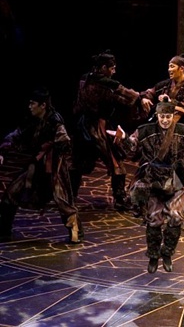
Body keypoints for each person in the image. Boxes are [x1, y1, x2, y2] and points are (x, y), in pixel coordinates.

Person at [107, 97, 184, 273]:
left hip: (177, 179)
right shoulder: (146, 130)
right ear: (157, 116)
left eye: (168, 116)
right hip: (153, 180)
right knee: (154, 220)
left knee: (175, 218)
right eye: (162, 116)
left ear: (173, 116)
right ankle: (153, 255)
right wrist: (124, 138)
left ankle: (167, 253)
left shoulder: (183, 131)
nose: (165, 120)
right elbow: (132, 149)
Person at [0, 88, 83, 243]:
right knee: (11, 192)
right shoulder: (31, 120)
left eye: (33, 104)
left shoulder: (55, 121)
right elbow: (16, 135)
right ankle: (4, 230)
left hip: (55, 167)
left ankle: (76, 230)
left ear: (43, 105)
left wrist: (51, 147)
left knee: (62, 200)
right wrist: (3, 150)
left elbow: (65, 142)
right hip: (36, 165)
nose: (30, 107)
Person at [70, 50, 148, 211]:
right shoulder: (106, 83)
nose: (114, 71)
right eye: (112, 68)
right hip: (96, 128)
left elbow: (110, 98)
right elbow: (129, 96)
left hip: (83, 126)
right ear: (103, 67)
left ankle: (70, 195)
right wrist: (142, 98)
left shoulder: (85, 78)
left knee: (79, 163)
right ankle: (119, 198)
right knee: (115, 162)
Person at [139, 54, 184, 211]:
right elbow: (151, 91)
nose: (169, 69)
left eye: (172, 66)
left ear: (182, 68)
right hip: (165, 128)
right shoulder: (166, 84)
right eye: (168, 66)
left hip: (182, 128)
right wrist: (145, 98)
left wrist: (169, 102)